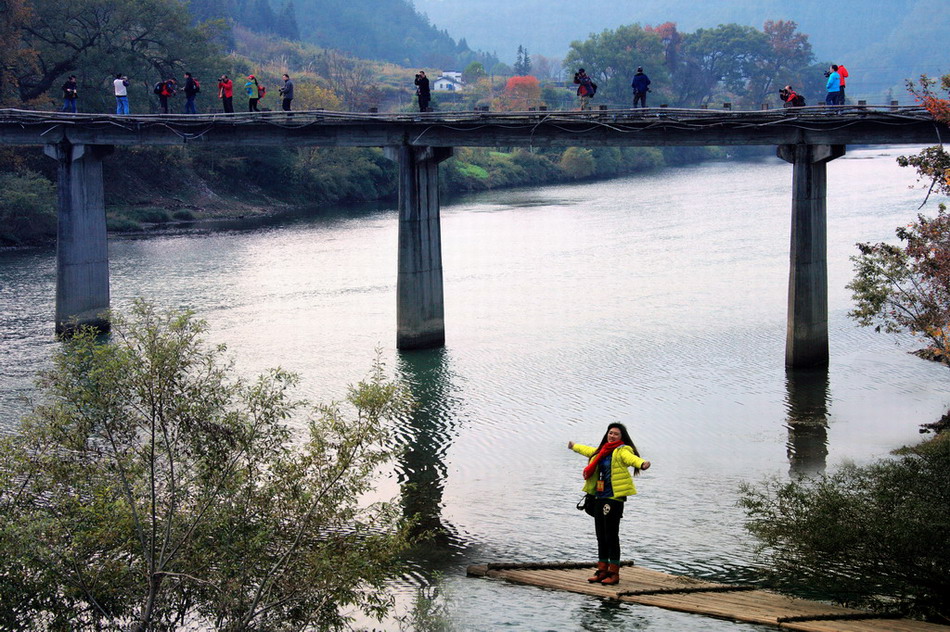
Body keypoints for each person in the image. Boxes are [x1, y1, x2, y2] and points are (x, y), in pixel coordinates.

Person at [568, 423, 651, 586]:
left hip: (613, 499)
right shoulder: (602, 451)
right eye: (610, 433)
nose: (612, 436)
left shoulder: (623, 450)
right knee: (600, 535)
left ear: (622, 437)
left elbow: (632, 459)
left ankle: (614, 573)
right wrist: (574, 446)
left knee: (611, 536)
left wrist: (642, 464)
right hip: (598, 497)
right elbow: (587, 450)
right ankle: (602, 570)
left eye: (616, 434)